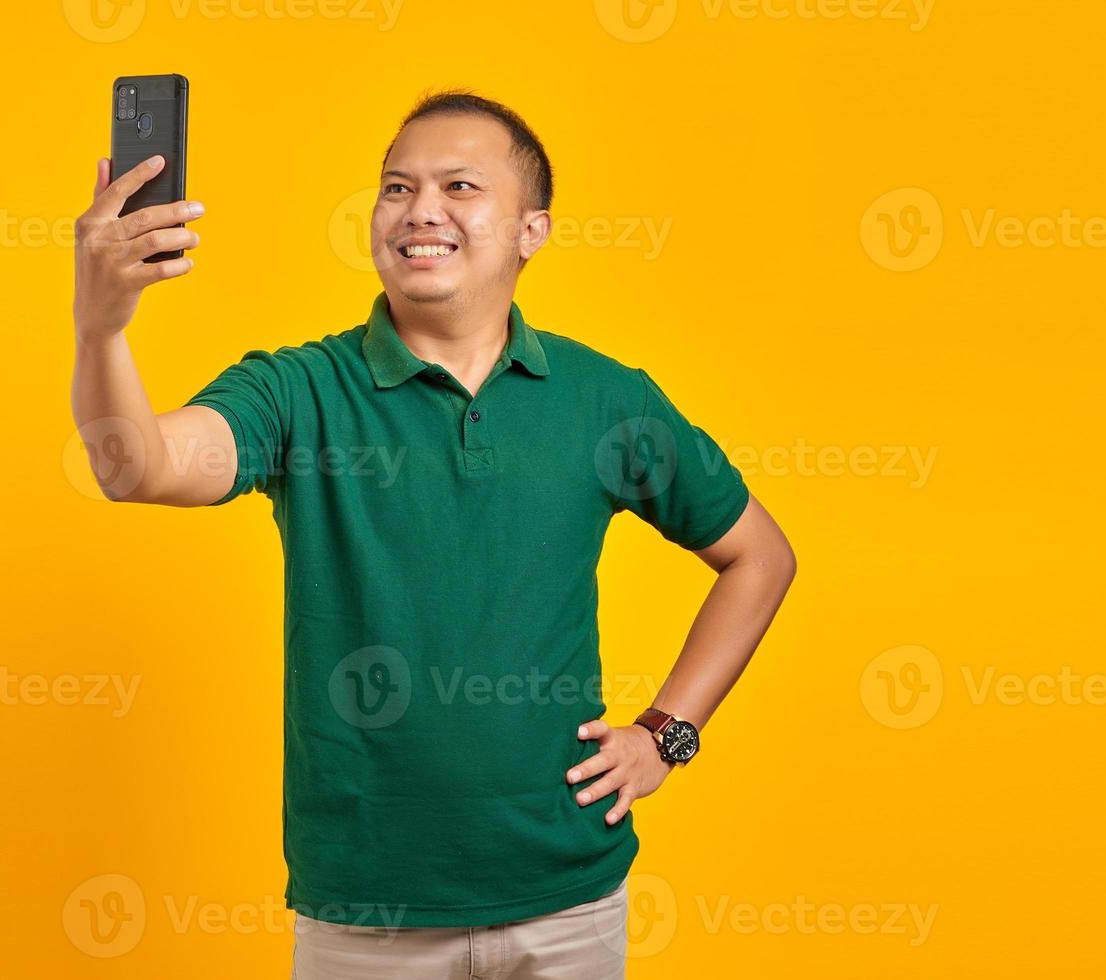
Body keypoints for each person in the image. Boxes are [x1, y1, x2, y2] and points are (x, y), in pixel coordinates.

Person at [70, 89, 796, 979]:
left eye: (459, 186)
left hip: (569, 900)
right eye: (395, 188)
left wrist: (667, 735)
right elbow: (133, 467)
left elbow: (759, 556)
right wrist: (101, 329)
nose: (421, 211)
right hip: (368, 917)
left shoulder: (606, 399)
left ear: (532, 231)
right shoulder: (300, 391)